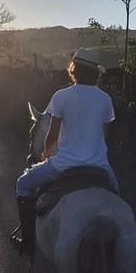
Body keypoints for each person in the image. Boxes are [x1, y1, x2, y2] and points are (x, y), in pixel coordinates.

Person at [11, 47, 119, 255]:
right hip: (100, 167)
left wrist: (46, 154)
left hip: (64, 165)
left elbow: (52, 135)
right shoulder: (105, 99)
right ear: (96, 73)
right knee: (117, 199)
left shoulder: (62, 96)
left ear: (74, 69)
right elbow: (104, 135)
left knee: (23, 184)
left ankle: (28, 242)